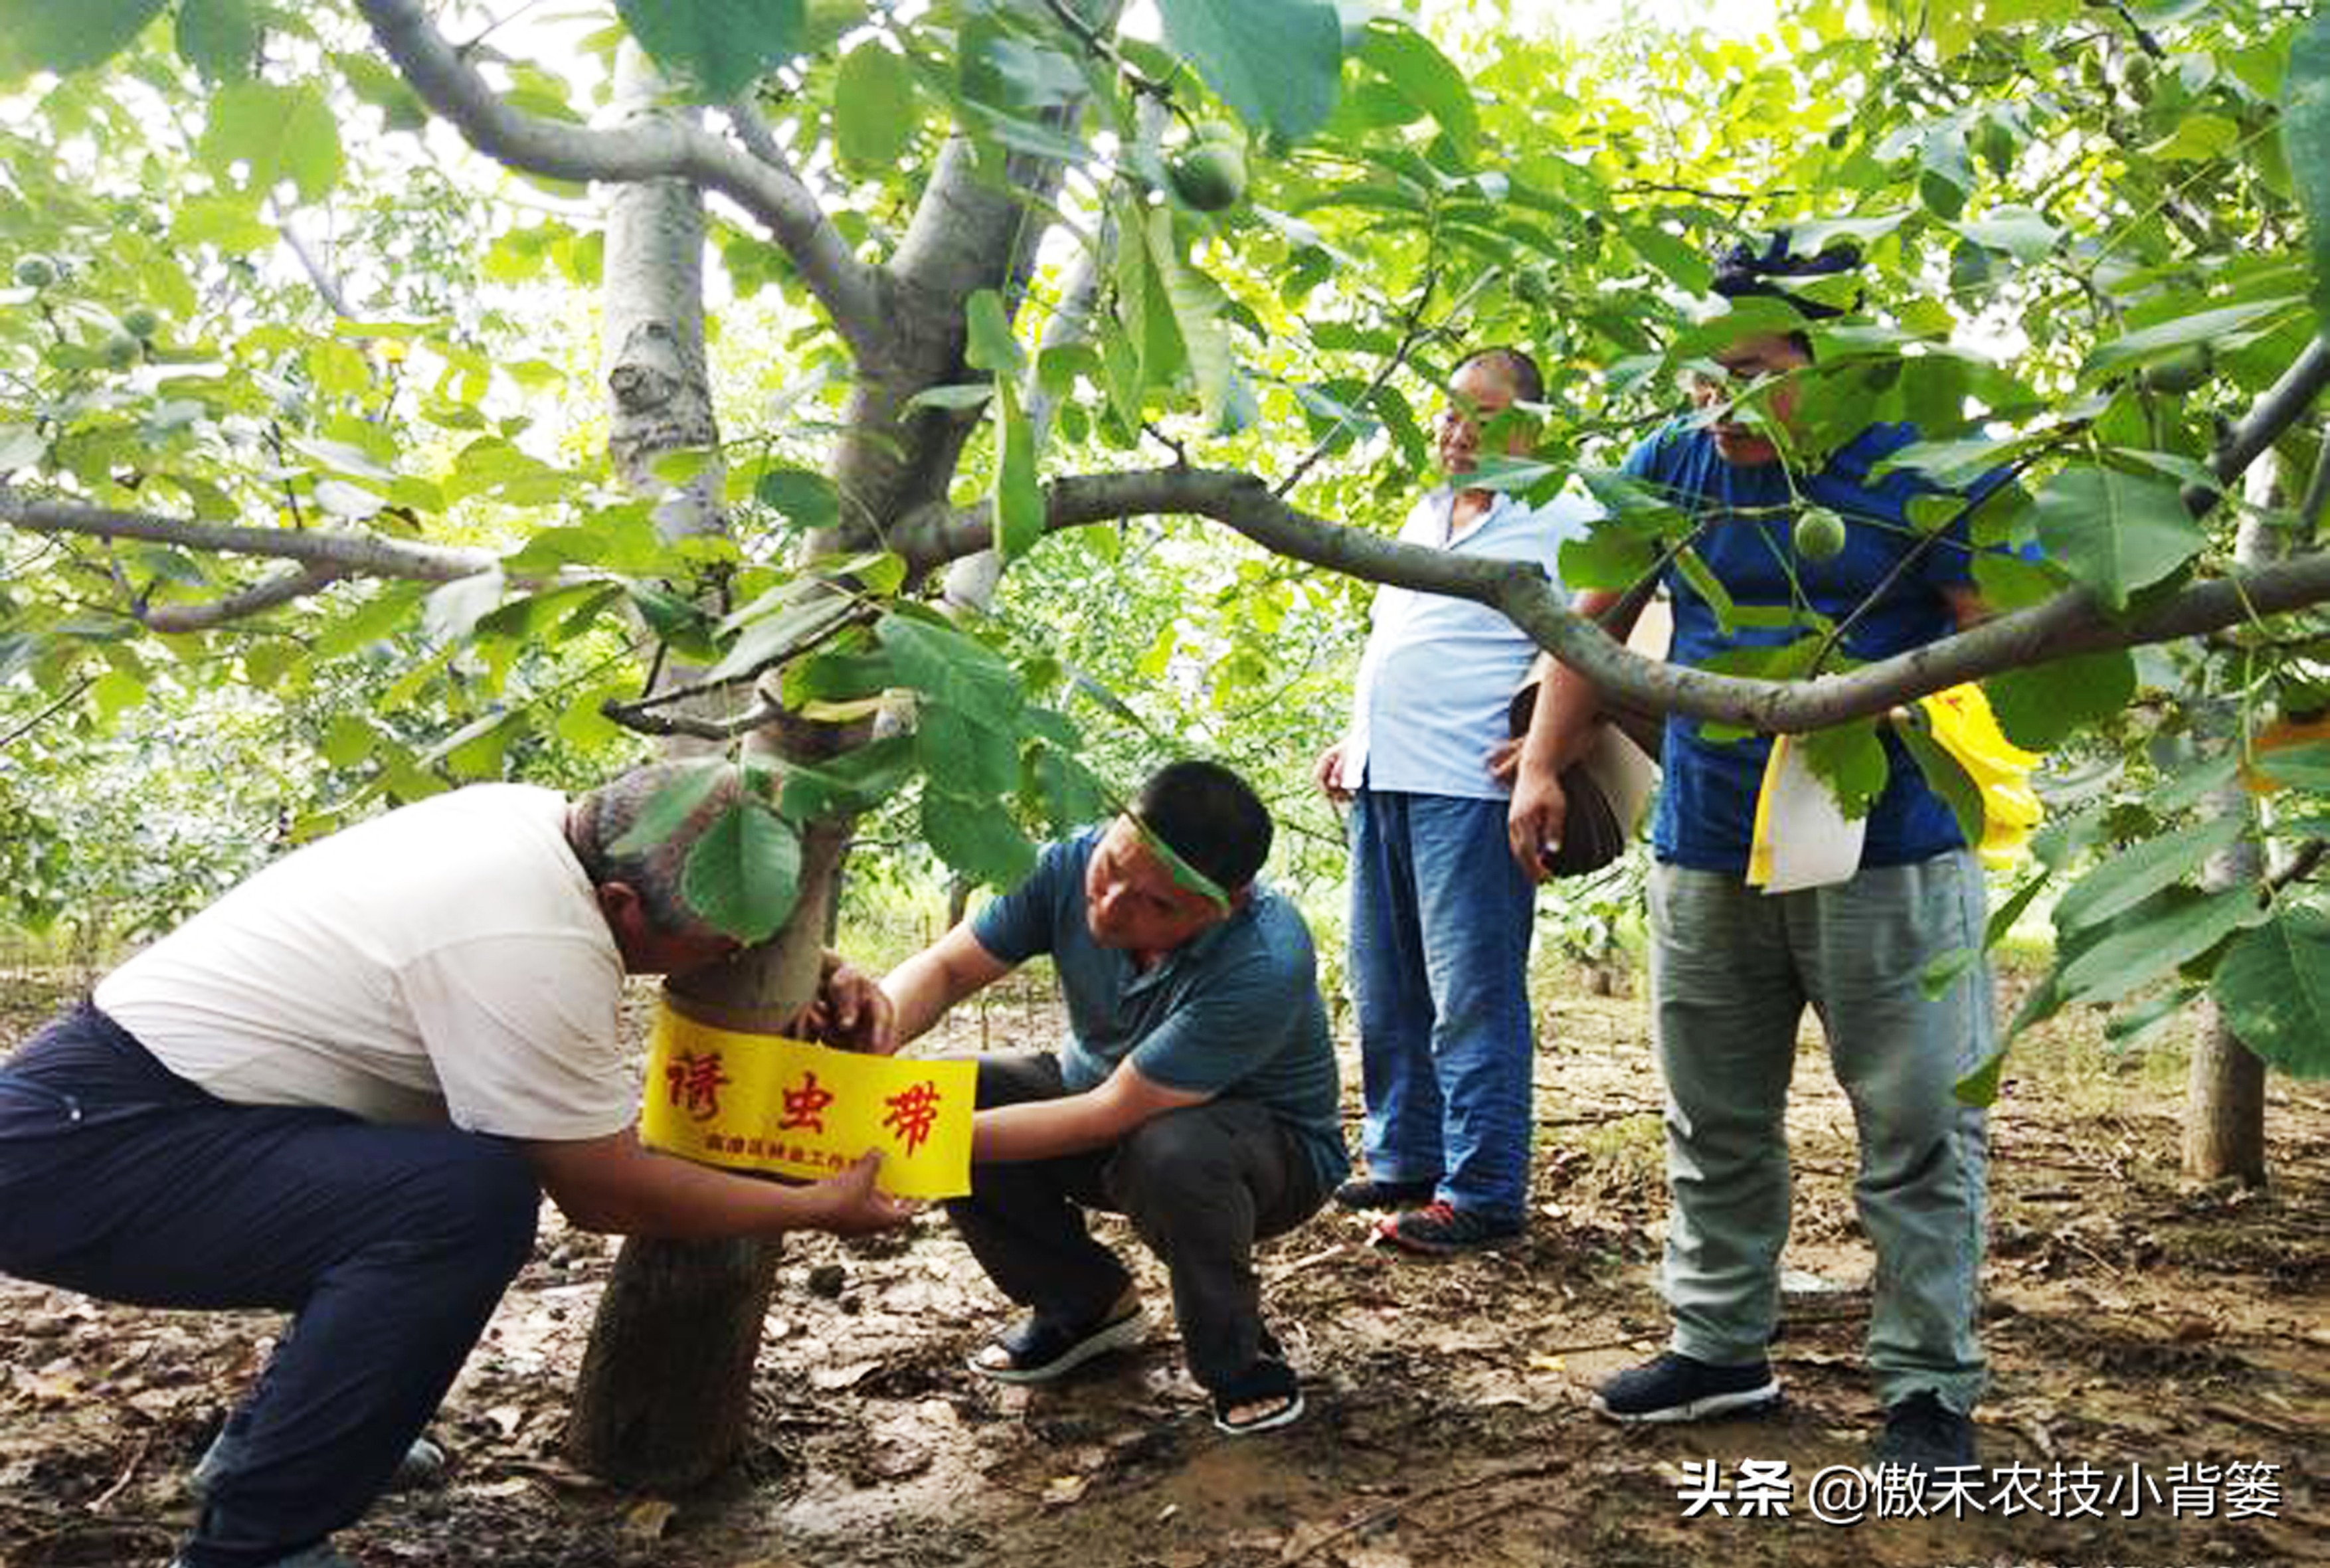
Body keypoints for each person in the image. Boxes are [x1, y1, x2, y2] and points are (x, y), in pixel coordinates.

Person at [0, 764, 916, 1568]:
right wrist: (813, 1206)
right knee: (459, 1205)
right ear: (622, 909)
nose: (742, 955)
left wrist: (812, 963)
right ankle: (256, 1541)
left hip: (157, 1107)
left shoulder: (536, 825)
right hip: (90, 1147)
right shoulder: (534, 942)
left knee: (437, 1188)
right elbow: (602, 1192)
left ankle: (279, 1447)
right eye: (728, 942)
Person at [1506, 234, 1997, 1471]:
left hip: (1886, 851)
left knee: (1915, 1123)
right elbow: (1585, 625)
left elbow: (1996, 636)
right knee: (1713, 1114)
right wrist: (1538, 762)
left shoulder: (1917, 468)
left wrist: (1891, 697)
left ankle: (1925, 1386)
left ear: (1831, 372)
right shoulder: (1671, 467)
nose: (1713, 403)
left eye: (1750, 372)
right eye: (1698, 376)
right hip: (1709, 843)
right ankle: (1719, 1344)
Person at [867, 760, 1346, 1435]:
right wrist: (868, 1040)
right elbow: (946, 969)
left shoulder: (1264, 959)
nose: (1113, 904)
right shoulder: (1066, 864)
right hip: (1102, 1106)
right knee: (952, 1092)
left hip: (1265, 1156)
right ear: (1115, 826)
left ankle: (1236, 1358)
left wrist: (912, 1136)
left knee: (1172, 1150)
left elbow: (1109, 1115)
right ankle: (1084, 1303)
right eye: (1114, 865)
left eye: (1157, 905)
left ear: (1226, 905)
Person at [1313, 347, 1596, 1254]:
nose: (1458, 430)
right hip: (1386, 775)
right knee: (1386, 979)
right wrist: (1356, 738)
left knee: (1472, 992)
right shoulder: (1423, 512)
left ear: (1534, 430)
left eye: (1485, 413)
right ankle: (1407, 1157)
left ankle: (1482, 1190)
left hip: (1473, 784)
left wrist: (1560, 746)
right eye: (1447, 412)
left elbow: (1602, 637)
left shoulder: (1562, 513)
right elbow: (1409, 639)